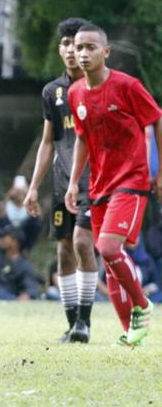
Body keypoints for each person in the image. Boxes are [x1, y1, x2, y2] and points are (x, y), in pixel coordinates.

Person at [65, 22, 162, 346]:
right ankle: (131, 333)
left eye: (90, 47)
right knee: (109, 258)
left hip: (132, 179)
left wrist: (159, 171)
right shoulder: (76, 93)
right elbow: (81, 137)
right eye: (78, 47)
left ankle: (142, 305)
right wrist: (73, 182)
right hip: (99, 183)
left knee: (107, 247)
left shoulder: (127, 86)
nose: (83, 53)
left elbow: (156, 118)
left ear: (106, 52)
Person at [25, 17, 101, 343]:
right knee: (64, 250)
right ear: (60, 50)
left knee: (85, 244)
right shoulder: (52, 92)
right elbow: (47, 142)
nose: (72, 50)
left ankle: (85, 322)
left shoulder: (99, 88)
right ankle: (72, 326)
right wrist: (32, 188)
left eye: (78, 44)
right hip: (61, 181)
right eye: (67, 44)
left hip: (93, 180)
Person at [0, 176, 42, 252]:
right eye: (17, 192)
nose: (19, 194)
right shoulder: (6, 204)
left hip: (23, 231)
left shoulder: (29, 204)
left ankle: (26, 250)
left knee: (36, 223)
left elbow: (39, 216)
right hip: (9, 229)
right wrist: (8, 196)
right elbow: (1, 217)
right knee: (3, 222)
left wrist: (30, 195)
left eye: (21, 192)